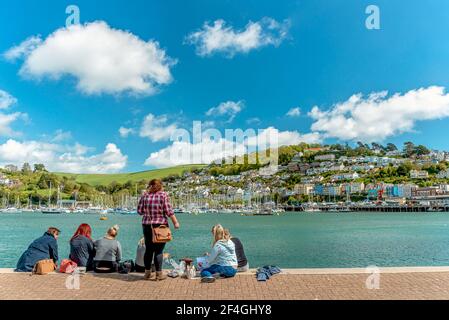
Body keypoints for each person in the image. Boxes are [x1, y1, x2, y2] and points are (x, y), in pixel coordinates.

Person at [137, 179, 180, 281]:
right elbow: (168, 211)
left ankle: (147, 273)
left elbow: (139, 211)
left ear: (150, 185)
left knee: (148, 250)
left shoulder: (145, 196)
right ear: (160, 186)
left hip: (147, 225)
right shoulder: (163, 195)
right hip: (161, 226)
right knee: (159, 251)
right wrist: (175, 223)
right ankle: (158, 275)